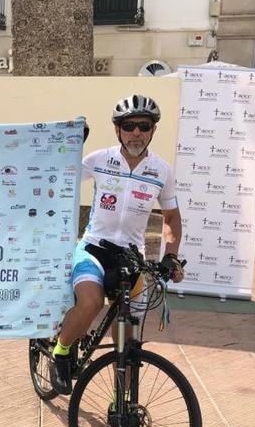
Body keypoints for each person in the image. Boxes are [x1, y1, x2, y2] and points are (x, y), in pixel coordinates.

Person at [50, 94, 184, 395]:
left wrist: (171, 257)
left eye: (144, 126)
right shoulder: (100, 159)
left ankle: (121, 401)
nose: (136, 132)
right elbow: (61, 177)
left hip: (132, 258)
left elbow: (172, 218)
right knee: (91, 302)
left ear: (152, 130)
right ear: (118, 130)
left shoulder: (162, 171)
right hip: (94, 249)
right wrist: (70, 146)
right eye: (129, 125)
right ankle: (60, 353)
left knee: (128, 340)